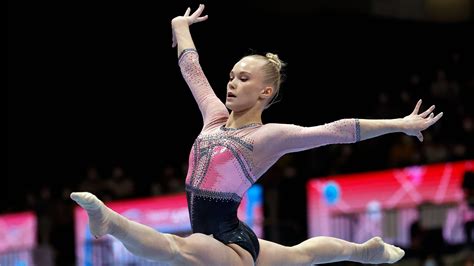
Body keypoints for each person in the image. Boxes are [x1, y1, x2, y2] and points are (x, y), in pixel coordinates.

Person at [70, 4, 443, 265]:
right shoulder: (214, 118)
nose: (232, 84)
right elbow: (193, 71)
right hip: (230, 237)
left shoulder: (267, 137)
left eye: (243, 79)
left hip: (225, 245)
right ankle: (365, 252)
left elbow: (335, 131)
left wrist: (400, 124)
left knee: (176, 249)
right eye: (232, 76)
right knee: (303, 255)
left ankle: (110, 221)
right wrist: (179, 26)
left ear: (265, 92)